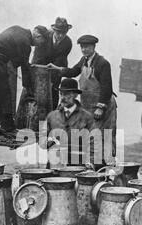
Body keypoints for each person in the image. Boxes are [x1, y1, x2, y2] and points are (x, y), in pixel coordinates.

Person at [47, 34, 117, 169]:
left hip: (104, 105)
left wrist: (101, 107)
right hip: (89, 104)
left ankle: (105, 166)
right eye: (82, 47)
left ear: (93, 47)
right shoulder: (84, 61)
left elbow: (107, 88)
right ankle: (91, 163)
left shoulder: (103, 63)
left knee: (104, 135)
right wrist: (57, 69)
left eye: (87, 47)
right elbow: (73, 71)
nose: (84, 50)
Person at [0, 25, 48, 135]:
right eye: (41, 42)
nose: (38, 45)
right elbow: (24, 67)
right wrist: (29, 89)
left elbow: (14, 61)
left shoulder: (19, 30)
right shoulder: (25, 42)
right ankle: (9, 128)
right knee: (4, 94)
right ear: (38, 36)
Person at [45, 78, 95, 167]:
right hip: (56, 166)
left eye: (67, 94)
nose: (63, 97)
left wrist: (90, 161)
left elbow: (93, 142)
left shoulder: (87, 117)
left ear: (75, 95)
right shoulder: (51, 116)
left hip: (78, 165)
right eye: (61, 94)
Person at [30, 17, 72, 109]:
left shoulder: (68, 43)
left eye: (63, 33)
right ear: (54, 30)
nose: (60, 35)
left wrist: (51, 80)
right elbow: (38, 57)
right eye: (58, 32)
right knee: (36, 89)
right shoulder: (45, 36)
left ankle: (52, 113)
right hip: (42, 64)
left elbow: (59, 62)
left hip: (56, 68)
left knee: (54, 90)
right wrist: (37, 73)